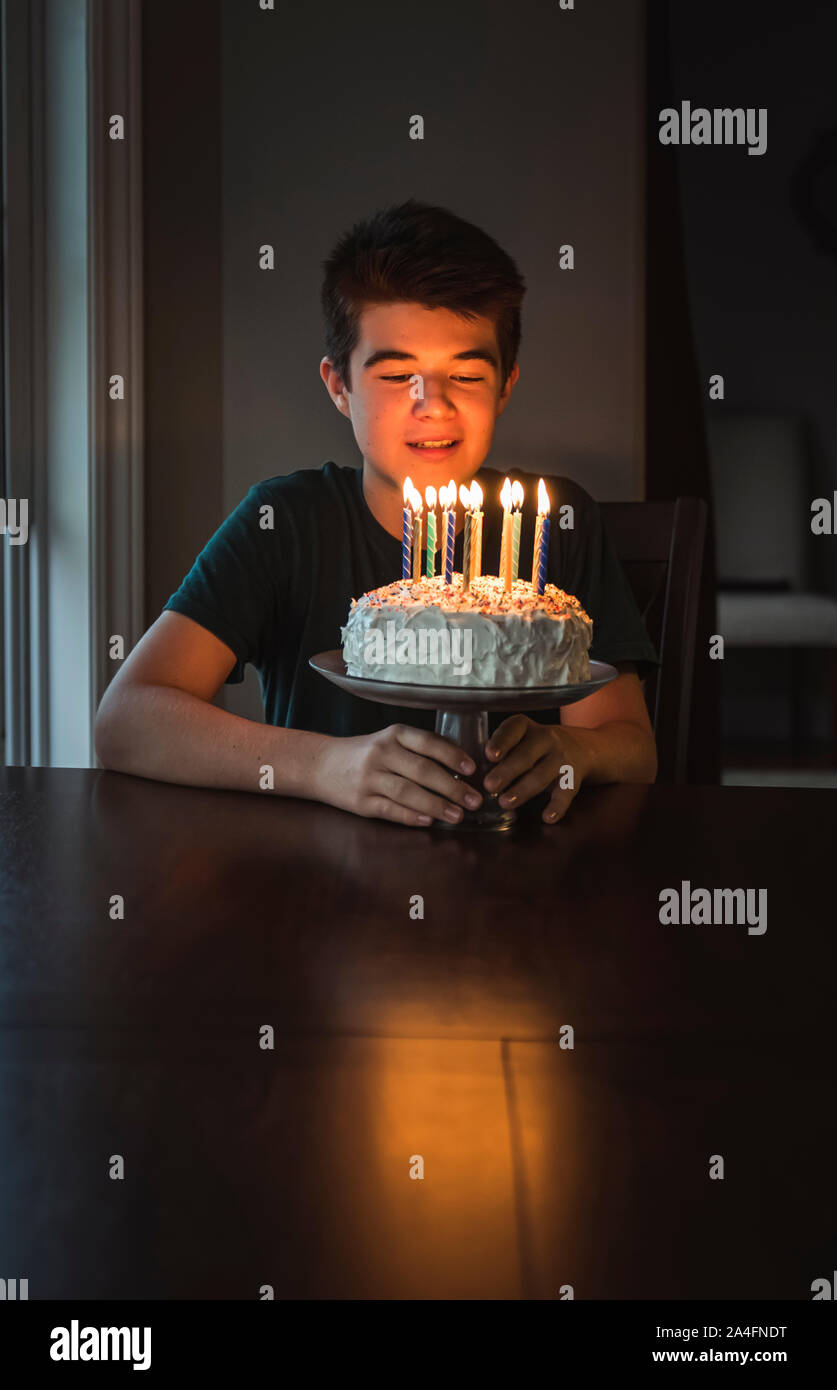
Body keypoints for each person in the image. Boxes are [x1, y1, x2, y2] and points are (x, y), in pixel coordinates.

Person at [94, 200, 660, 826]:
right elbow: (128, 720)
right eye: (397, 376)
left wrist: (575, 749)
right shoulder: (284, 523)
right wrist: (322, 766)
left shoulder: (556, 524)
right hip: (316, 883)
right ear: (339, 386)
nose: (434, 405)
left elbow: (632, 745)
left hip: (521, 878)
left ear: (506, 384)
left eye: (466, 376)